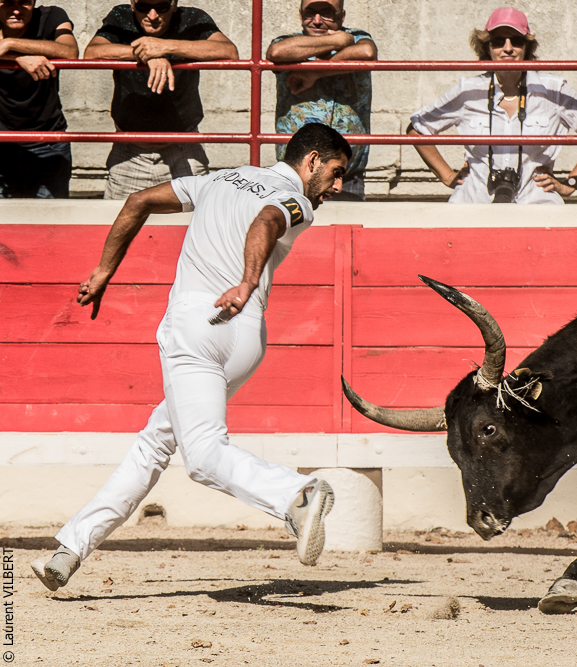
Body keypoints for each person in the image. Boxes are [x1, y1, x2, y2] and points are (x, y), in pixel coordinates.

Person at [30, 123, 351, 591]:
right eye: (336, 173)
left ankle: (295, 493)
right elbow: (265, 219)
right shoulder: (296, 199)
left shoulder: (219, 179)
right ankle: (71, 549)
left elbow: (138, 200)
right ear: (312, 160)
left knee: (201, 456)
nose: (337, 187)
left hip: (199, 327)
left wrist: (103, 271)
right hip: (244, 335)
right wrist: (246, 284)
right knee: (158, 440)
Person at [407, 7, 577, 204]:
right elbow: (416, 129)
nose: (507, 48)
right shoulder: (468, 90)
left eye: (516, 41)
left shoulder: (553, 90)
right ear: (487, 47)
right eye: (498, 41)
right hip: (473, 203)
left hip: (535, 205)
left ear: (527, 47)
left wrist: (570, 183)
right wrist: (447, 176)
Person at [84, 0, 238, 200]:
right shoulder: (121, 16)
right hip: (130, 154)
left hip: (184, 149)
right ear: (132, 4)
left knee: (192, 224)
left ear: (174, 4)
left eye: (162, 7)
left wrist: (164, 47)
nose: (153, 15)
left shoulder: (191, 19)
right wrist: (143, 54)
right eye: (143, 7)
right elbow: (92, 52)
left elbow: (229, 52)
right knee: (117, 225)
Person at [267, 0, 376, 202]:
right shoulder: (288, 41)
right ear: (300, 15)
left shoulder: (357, 38)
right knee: (294, 231)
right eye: (310, 13)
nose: (317, 21)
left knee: (344, 230)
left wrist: (314, 73)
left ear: (341, 17)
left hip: (345, 174)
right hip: (296, 173)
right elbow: (276, 53)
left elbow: (366, 53)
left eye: (326, 13)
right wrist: (338, 41)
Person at [0, 0, 78, 198]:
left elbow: (70, 52)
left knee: (49, 223)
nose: (16, 10)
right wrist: (18, 58)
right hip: (2, 143)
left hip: (48, 143)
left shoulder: (52, 15)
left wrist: (9, 45)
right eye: (7, 2)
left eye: (24, 2)